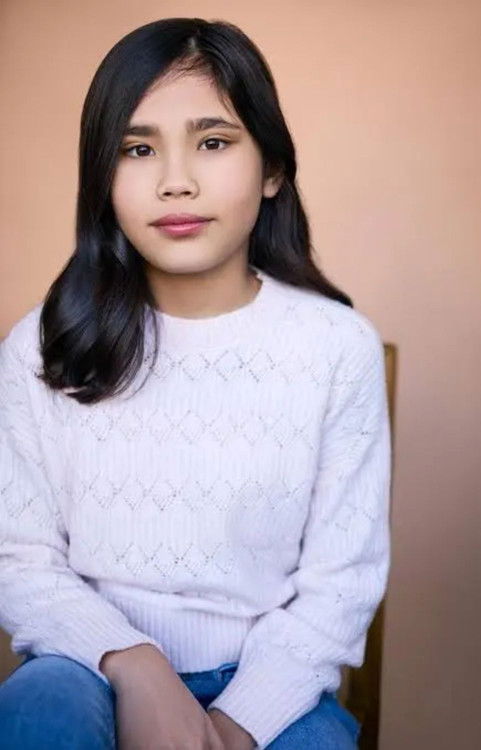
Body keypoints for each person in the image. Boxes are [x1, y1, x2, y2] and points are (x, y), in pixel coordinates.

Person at [0, 16, 391, 750]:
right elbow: (18, 560)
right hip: (87, 665)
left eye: (213, 143)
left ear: (272, 169)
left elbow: (340, 586)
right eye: (138, 149)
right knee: (36, 713)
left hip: (268, 683)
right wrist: (135, 664)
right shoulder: (41, 346)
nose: (175, 181)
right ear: (103, 178)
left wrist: (235, 725)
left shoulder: (337, 349)